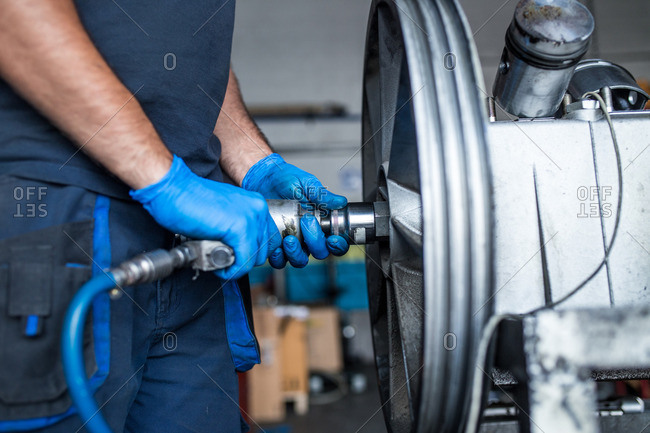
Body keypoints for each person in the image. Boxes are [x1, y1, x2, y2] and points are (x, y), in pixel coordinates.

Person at [0, 1, 348, 432]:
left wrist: (253, 162)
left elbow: (186, 51)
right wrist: (164, 180)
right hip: (61, 213)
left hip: (190, 243)